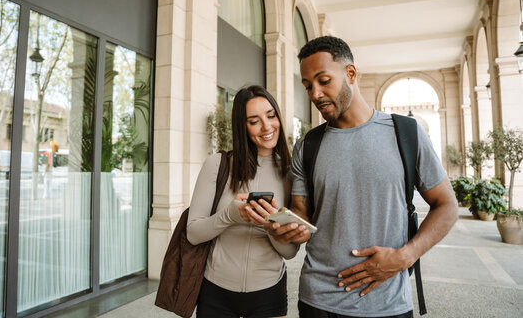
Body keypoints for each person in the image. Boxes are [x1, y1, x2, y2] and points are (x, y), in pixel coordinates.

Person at [268, 36, 458, 318]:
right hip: (317, 301)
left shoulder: (406, 133)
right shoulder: (308, 145)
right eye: (307, 85)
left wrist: (405, 256)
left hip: (387, 303)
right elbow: (302, 215)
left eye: (323, 80)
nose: (315, 94)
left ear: (351, 74)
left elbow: (447, 205)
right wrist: (287, 227)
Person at [187, 85, 299, 318]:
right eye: (254, 121)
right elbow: (193, 233)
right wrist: (230, 215)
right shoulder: (218, 164)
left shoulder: (291, 173)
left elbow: (289, 252)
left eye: (271, 116)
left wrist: (269, 226)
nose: (267, 126)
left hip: (269, 293)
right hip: (215, 291)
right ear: (242, 126)